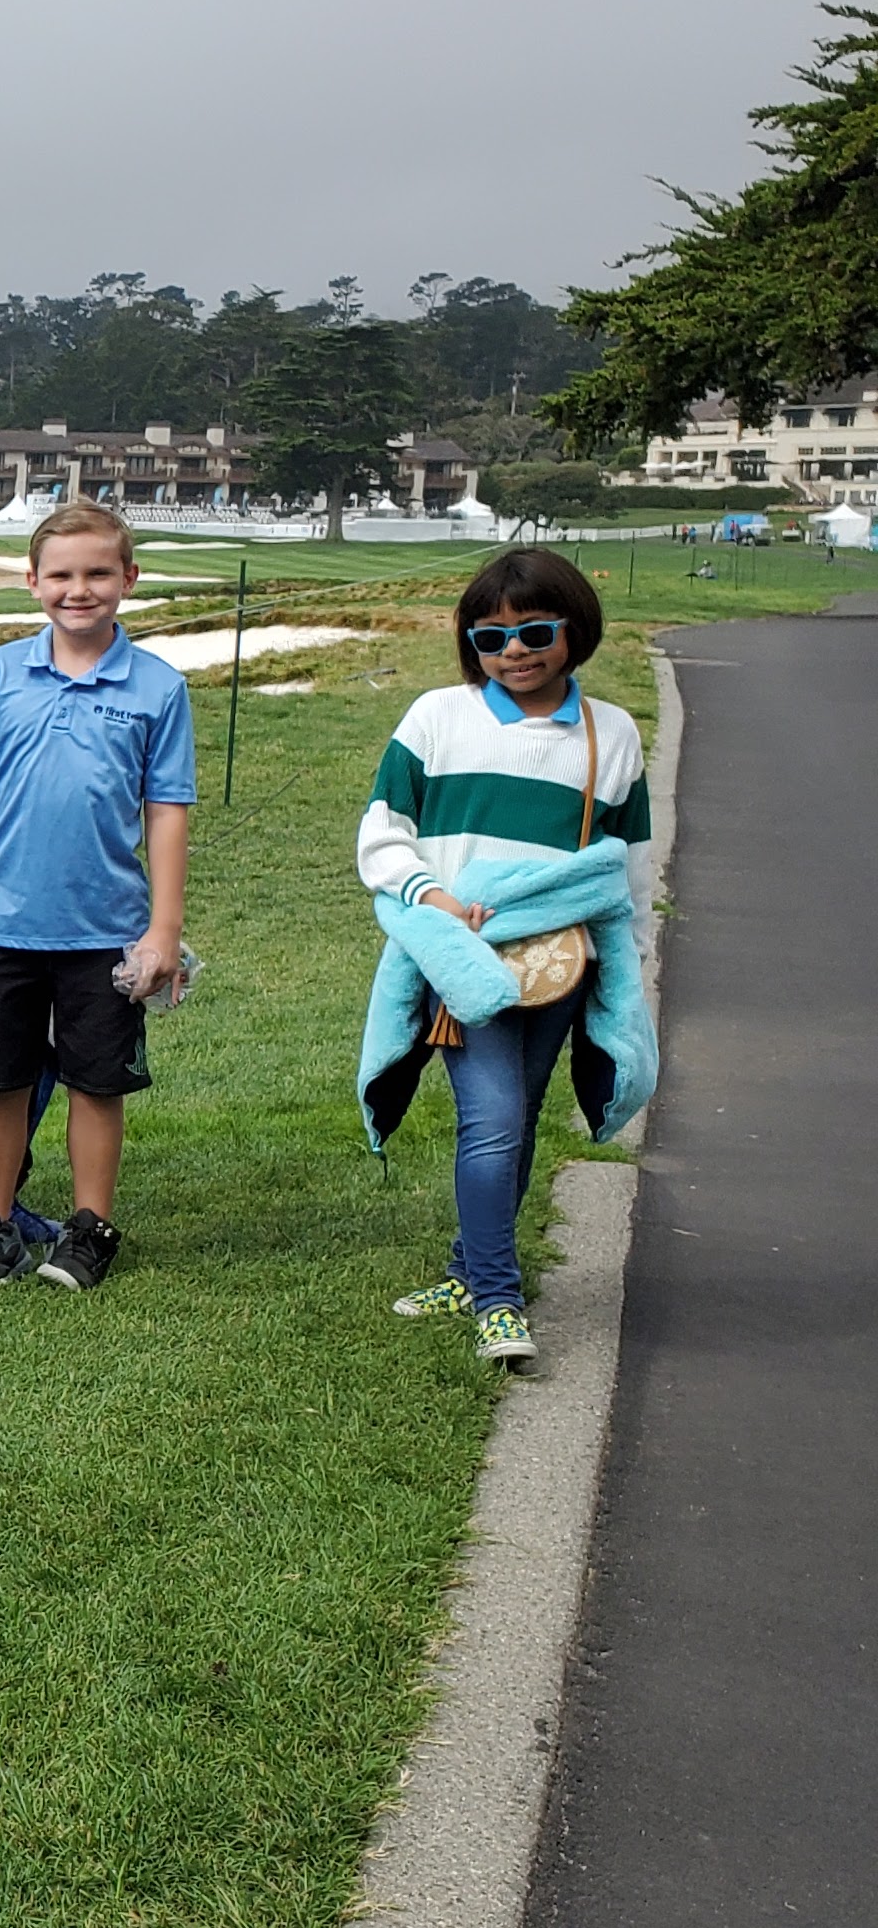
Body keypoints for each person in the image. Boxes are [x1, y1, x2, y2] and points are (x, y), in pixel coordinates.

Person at [356, 551, 656, 1366]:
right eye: (491, 638)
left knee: (516, 1121)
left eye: (533, 631)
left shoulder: (613, 735)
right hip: (462, 961)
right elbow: (383, 834)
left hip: (558, 963)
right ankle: (497, 1296)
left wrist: (625, 968)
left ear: (573, 630)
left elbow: (626, 867)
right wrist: (431, 896)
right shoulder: (435, 718)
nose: (514, 651)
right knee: (490, 1122)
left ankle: (466, 1270)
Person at [0, 503, 196, 1290]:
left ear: (128, 579)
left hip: (105, 928)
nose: (80, 590)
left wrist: (163, 929)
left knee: (95, 1083)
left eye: (99, 573)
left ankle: (89, 1227)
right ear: (33, 582)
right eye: (62, 575)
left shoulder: (157, 687)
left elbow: (167, 814)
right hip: (3, 922)